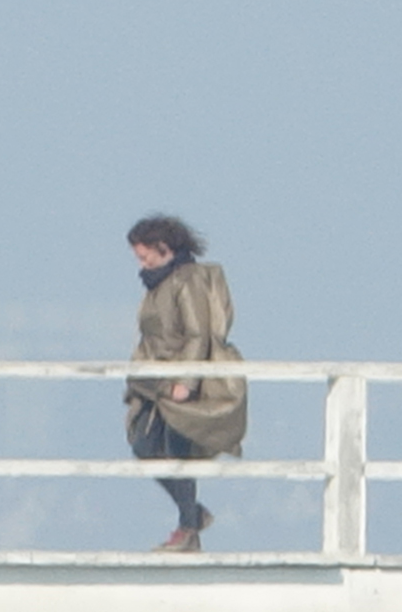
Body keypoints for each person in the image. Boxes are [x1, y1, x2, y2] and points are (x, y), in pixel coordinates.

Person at [124, 214, 247, 551]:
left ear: (163, 247)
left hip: (178, 381)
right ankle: (191, 517)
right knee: (145, 446)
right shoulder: (158, 284)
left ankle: (188, 529)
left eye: (144, 253)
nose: (140, 260)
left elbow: (197, 333)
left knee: (174, 450)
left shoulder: (187, 280)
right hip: (156, 381)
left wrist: (187, 382)